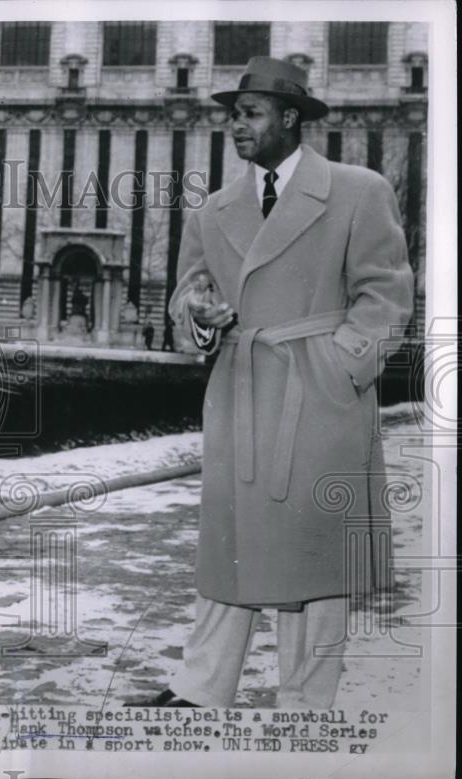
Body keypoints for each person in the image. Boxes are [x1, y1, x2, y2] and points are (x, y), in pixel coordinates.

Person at [130, 57, 413, 708]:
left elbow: (387, 296)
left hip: (320, 395)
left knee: (314, 562)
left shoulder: (357, 189)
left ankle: (306, 702)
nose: (236, 125)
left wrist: (340, 368)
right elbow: (186, 294)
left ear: (291, 119)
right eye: (232, 114)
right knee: (232, 548)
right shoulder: (215, 210)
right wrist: (198, 317)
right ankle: (201, 690)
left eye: (250, 113)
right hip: (241, 390)